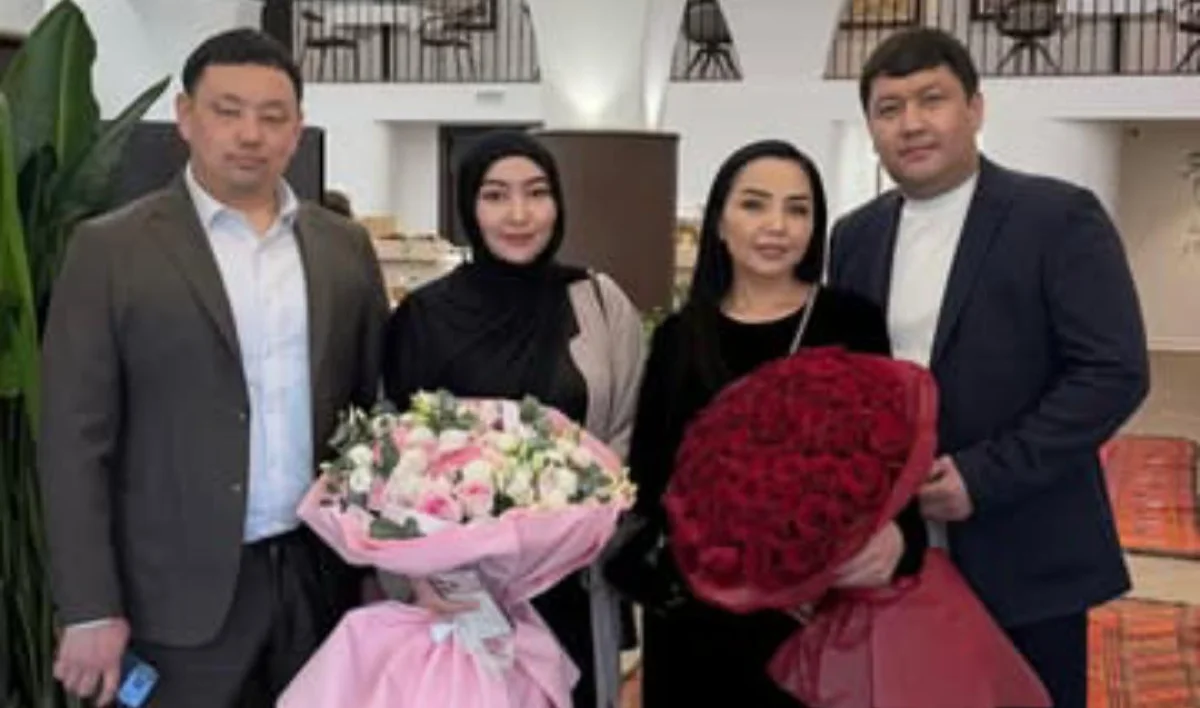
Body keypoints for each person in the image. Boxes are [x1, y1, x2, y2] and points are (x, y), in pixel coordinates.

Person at [38, 29, 389, 707]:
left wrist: (384, 565)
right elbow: (72, 441)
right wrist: (87, 607)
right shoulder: (110, 250)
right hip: (171, 599)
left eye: (272, 116)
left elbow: (370, 415)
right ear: (185, 116)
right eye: (228, 111)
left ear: (297, 129)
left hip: (318, 583)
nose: (250, 134)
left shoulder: (343, 248)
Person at [829, 28, 1149, 708]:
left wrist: (985, 475)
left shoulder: (1056, 217)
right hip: (895, 549)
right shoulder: (855, 236)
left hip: (1025, 547)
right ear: (871, 128)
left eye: (932, 99)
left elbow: (1112, 371)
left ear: (975, 109)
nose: (911, 123)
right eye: (889, 109)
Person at [622, 139, 927, 708]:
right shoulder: (680, 337)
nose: (777, 226)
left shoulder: (850, 321)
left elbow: (893, 460)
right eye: (754, 204)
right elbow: (648, 481)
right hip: (700, 622)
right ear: (719, 222)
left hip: (818, 618)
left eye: (797, 209)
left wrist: (899, 538)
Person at [381, 129, 646, 708]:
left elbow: (626, 431)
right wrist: (428, 575)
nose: (519, 214)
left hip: (574, 580)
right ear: (469, 207)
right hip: (463, 594)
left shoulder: (599, 302)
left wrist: (587, 526)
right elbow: (395, 461)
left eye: (537, 192)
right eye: (496, 195)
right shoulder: (425, 317)